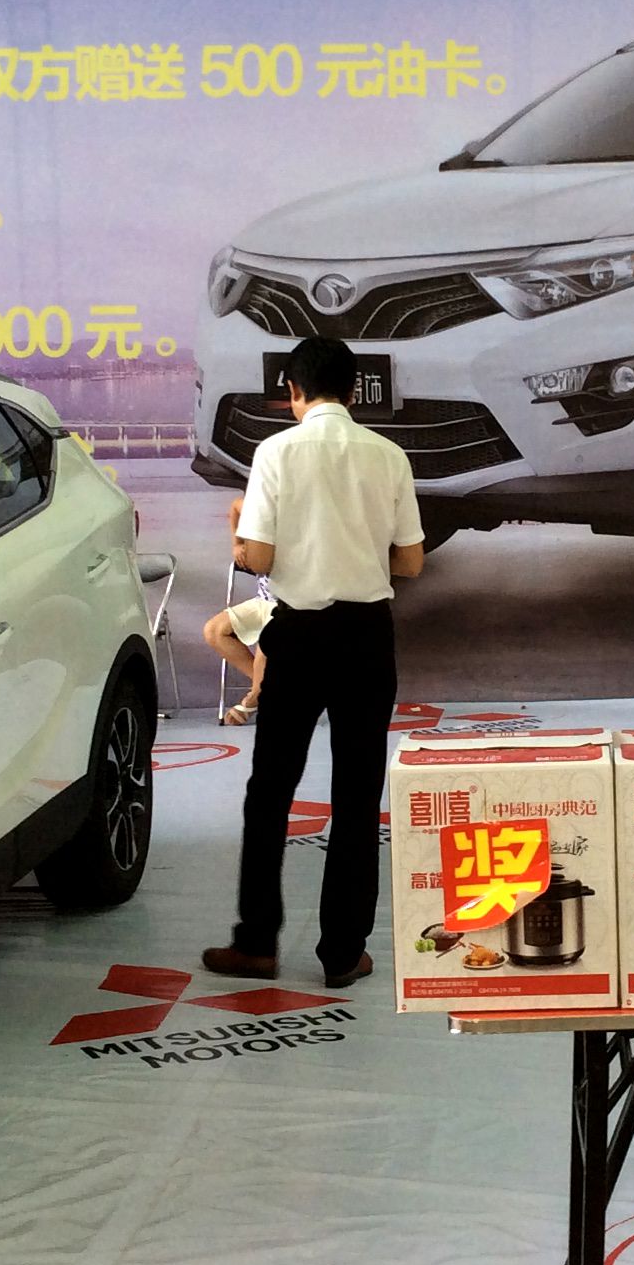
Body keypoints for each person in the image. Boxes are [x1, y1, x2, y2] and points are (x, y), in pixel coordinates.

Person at [202, 337, 425, 990]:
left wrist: (241, 541)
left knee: (270, 791)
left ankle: (256, 944)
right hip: (366, 637)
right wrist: (356, 553)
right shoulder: (388, 455)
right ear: (354, 391)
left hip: (297, 635)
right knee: (357, 796)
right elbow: (411, 562)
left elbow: (260, 558)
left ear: (292, 392)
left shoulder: (275, 452)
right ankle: (342, 953)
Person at [204, 497, 272, 726]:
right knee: (214, 630)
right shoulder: (261, 504)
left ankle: (254, 697)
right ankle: (267, 689)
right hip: (264, 599)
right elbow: (235, 506)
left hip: (294, 604)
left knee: (269, 640)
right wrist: (237, 543)